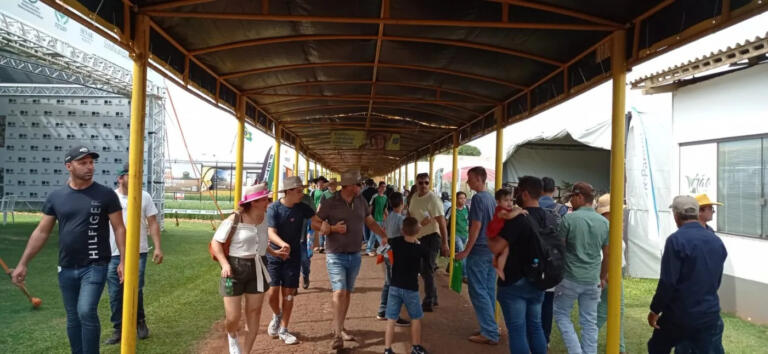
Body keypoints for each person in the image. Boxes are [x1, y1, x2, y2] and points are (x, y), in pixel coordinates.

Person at [11, 145, 125, 354]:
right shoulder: (57, 197)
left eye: (91, 162)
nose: (89, 167)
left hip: (95, 265)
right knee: (73, 317)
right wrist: (22, 263)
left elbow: (119, 228)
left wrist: (124, 261)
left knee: (86, 311)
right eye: (83, 163)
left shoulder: (105, 194)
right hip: (66, 267)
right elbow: (41, 232)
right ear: (69, 166)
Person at [313, 170, 389, 350]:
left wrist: (384, 235)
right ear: (349, 186)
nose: (361, 187)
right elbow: (315, 222)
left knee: (346, 293)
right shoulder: (330, 202)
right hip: (335, 255)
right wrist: (331, 228)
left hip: (355, 255)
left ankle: (340, 326)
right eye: (358, 184)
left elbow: (369, 222)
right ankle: (337, 334)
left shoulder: (361, 201)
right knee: (339, 292)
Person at [211, 183, 288, 354]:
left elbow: (260, 240)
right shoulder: (234, 219)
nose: (269, 201)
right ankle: (232, 334)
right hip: (234, 268)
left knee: (254, 312)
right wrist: (224, 264)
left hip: (258, 266)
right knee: (233, 317)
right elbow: (216, 242)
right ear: (253, 202)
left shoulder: (265, 217)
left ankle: (246, 351)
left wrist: (273, 253)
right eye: (265, 199)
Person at [647, 196, 727, 354]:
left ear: (676, 215)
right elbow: (716, 280)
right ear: (697, 213)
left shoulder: (676, 240)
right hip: (709, 313)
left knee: (657, 347)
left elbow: (668, 282)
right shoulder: (716, 241)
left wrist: (655, 310)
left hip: (679, 314)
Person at [489, 176, 549, 354]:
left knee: (517, 330)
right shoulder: (546, 216)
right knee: (536, 326)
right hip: (538, 279)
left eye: (516, 192)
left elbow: (497, 247)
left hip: (515, 281)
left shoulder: (518, 218)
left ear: (524, 193)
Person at [104, 163, 163, 345]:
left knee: (135, 289)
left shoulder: (144, 196)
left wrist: (158, 247)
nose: (137, 179)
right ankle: (118, 329)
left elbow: (152, 222)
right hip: (113, 253)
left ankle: (139, 321)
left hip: (139, 251)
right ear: (120, 178)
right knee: (115, 292)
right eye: (132, 175)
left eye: (139, 175)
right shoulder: (110, 197)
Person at [553, 182, 609, 354]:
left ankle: (576, 351)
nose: (571, 202)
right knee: (589, 322)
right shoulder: (604, 222)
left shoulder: (569, 219)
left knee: (562, 314)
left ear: (579, 197)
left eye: (572, 198)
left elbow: (560, 250)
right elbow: (607, 255)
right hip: (593, 279)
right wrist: (602, 276)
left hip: (570, 277)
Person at [265, 176, 315, 345]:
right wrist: (282, 244)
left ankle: (284, 329)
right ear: (288, 192)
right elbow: (270, 232)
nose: (302, 194)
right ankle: (277, 315)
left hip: (293, 257)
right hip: (274, 255)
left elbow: (316, 221)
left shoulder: (303, 208)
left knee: (288, 295)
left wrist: (329, 228)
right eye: (299, 191)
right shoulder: (274, 209)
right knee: (272, 293)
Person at [455, 166, 500, 345]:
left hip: (480, 250)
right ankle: (490, 327)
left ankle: (489, 331)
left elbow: (476, 226)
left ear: (480, 179)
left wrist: (466, 250)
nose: (468, 182)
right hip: (490, 250)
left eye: (471, 178)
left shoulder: (478, 199)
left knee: (478, 291)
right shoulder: (490, 198)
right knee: (488, 290)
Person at [383, 217, 429, 354]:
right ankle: (415, 347)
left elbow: (384, 246)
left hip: (394, 286)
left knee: (391, 319)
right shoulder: (420, 248)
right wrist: (417, 240)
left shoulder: (395, 242)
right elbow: (428, 260)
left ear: (402, 230)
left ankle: (387, 349)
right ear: (418, 231)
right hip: (411, 288)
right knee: (415, 318)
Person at [407, 173, 449, 312]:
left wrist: (445, 243)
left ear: (429, 183)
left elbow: (442, 222)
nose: (424, 185)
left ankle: (429, 300)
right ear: (417, 184)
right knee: (422, 269)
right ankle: (433, 296)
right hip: (419, 237)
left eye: (426, 182)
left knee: (427, 268)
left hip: (432, 237)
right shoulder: (414, 197)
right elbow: (411, 215)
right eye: (421, 183)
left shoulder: (433, 199)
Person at [594, 193, 626, 354]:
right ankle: (618, 347)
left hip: (611, 274)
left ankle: (619, 347)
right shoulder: (608, 229)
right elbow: (604, 254)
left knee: (613, 311)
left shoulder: (609, 228)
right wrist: (605, 275)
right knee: (605, 312)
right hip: (609, 275)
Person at [538, 177, 567, 346]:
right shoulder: (561, 209)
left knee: (534, 299)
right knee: (548, 302)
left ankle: (533, 336)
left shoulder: (533, 207)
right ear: (554, 190)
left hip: (534, 258)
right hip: (554, 260)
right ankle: (545, 338)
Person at [377, 192, 410, 327]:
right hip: (396, 253)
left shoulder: (388, 217)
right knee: (395, 284)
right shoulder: (400, 219)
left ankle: (383, 310)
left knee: (388, 283)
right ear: (402, 204)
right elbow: (405, 234)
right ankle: (393, 314)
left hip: (387, 253)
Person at [485, 188, 526, 281]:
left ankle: (496, 262)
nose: (509, 203)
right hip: (495, 232)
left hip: (496, 232)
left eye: (511, 200)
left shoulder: (504, 210)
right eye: (506, 200)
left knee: (503, 250)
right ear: (498, 202)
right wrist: (519, 211)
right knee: (505, 250)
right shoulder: (501, 211)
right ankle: (500, 269)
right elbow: (509, 216)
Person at [367, 181, 389, 256]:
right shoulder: (375, 196)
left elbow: (385, 209)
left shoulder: (385, 197)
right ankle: (383, 248)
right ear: (378, 188)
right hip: (374, 218)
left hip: (382, 219)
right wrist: (369, 217)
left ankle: (369, 249)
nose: (383, 188)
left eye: (385, 187)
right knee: (378, 234)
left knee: (373, 234)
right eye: (382, 186)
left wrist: (388, 218)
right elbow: (370, 207)